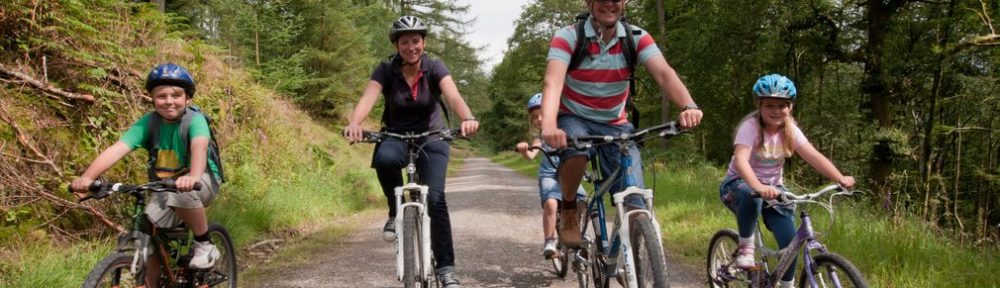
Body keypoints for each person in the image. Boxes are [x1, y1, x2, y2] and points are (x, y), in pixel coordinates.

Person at [539, 0, 704, 248]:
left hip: (615, 123)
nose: (609, 3)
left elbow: (664, 74)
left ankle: (631, 259)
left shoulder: (636, 37)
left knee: (634, 200)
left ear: (624, 3)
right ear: (589, 2)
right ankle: (570, 207)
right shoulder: (568, 37)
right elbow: (553, 83)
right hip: (575, 117)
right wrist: (549, 125)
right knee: (576, 152)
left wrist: (688, 105)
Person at [342, 15, 478, 288]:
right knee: (385, 159)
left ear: (423, 43)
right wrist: (355, 123)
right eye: (405, 42)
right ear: (396, 45)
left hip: (432, 136)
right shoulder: (385, 70)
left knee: (436, 199)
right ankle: (395, 213)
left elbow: (452, 95)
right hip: (395, 135)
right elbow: (368, 97)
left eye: (416, 41)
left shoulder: (435, 68)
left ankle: (446, 269)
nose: (411, 47)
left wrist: (467, 117)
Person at [70, 63, 222, 285]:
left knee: (180, 194)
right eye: (161, 96)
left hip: (201, 180)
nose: (169, 100)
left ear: (187, 99)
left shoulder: (194, 120)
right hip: (164, 185)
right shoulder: (148, 123)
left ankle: (204, 243)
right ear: (152, 99)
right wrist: (87, 177)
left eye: (176, 95)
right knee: (146, 227)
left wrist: (194, 176)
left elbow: (199, 146)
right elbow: (118, 148)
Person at [719, 74, 855, 288]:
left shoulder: (790, 130)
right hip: (738, 186)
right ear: (760, 106)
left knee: (791, 242)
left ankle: (786, 285)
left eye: (782, 105)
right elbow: (741, 160)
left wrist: (839, 178)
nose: (776, 111)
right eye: (769, 105)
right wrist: (758, 186)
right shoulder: (750, 127)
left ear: (790, 107)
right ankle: (745, 247)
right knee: (750, 195)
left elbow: (813, 156)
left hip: (774, 190)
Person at [514, 93, 588, 259]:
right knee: (551, 204)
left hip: (567, 176)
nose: (539, 119)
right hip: (549, 175)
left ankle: (575, 229)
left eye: (542, 114)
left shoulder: (566, 131)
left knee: (582, 201)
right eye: (534, 117)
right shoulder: (539, 138)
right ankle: (549, 240)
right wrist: (525, 150)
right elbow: (531, 155)